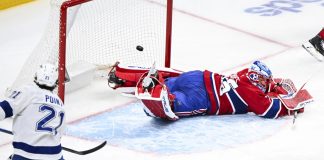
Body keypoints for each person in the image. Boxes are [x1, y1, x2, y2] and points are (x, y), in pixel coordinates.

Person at [107, 61, 312, 121]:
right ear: (257, 78)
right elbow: (269, 110)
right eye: (265, 80)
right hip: (204, 97)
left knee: (172, 80)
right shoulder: (252, 92)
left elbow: (265, 87)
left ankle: (126, 77)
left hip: (197, 76)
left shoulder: (242, 76)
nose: (268, 82)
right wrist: (294, 105)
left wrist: (274, 87)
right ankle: (160, 100)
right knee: (178, 103)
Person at [0, 63, 65, 160]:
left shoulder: (28, 91)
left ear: (36, 76)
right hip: (56, 155)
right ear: (55, 82)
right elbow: (59, 134)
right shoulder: (59, 102)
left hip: (27, 154)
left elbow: (3, 110)